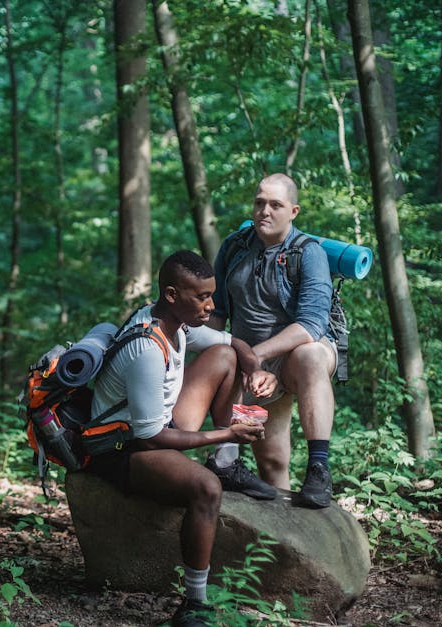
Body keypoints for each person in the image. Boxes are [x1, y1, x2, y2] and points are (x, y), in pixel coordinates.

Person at [87, 250, 274, 627]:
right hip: (122, 447)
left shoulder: (178, 321)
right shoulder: (146, 349)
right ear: (171, 295)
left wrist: (254, 367)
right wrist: (228, 431)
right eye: (201, 297)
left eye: (211, 295)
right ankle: (194, 604)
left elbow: (231, 342)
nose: (210, 305)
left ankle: (227, 462)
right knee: (205, 489)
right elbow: (152, 437)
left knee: (223, 356)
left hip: (158, 420)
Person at [207, 173, 337, 509]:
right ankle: (280, 543)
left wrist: (256, 356)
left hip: (295, 357)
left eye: (275, 205)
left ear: (293, 211)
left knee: (309, 355)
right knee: (272, 465)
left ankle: (319, 468)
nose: (265, 211)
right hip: (250, 365)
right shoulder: (234, 247)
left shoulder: (309, 253)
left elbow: (311, 324)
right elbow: (217, 311)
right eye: (259, 202)